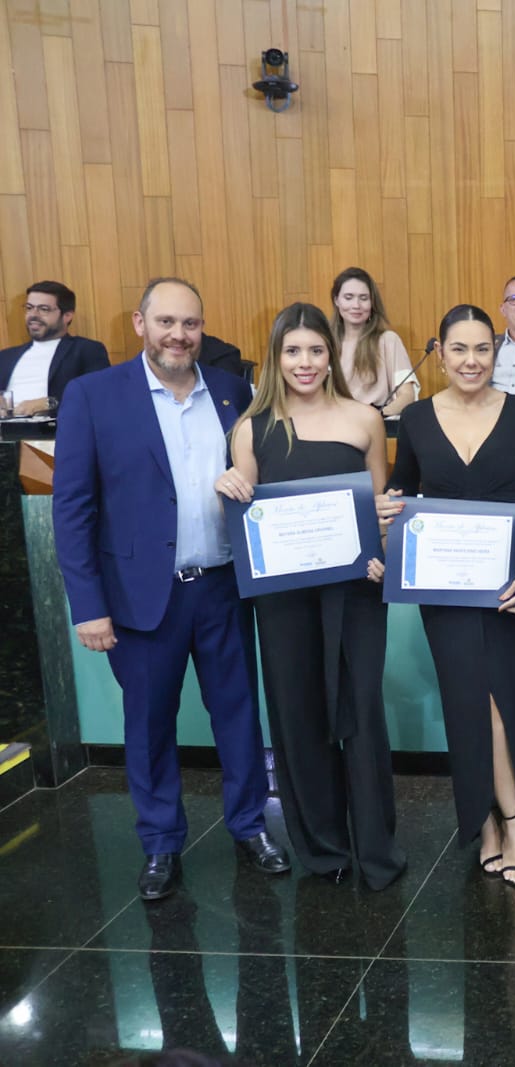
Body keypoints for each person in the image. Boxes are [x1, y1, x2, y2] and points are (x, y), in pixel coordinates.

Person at [52, 277, 289, 901]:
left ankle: (249, 826)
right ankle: (160, 842)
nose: (179, 335)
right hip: (139, 597)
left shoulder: (235, 393)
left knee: (239, 715)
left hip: (224, 588)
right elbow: (72, 509)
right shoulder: (93, 395)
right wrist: (88, 606)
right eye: (166, 322)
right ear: (140, 324)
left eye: (190, 324)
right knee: (149, 723)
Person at [212, 303, 406, 890]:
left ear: (331, 355)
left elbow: (378, 510)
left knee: (362, 714)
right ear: (275, 357)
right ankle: (324, 850)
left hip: (356, 589)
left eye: (316, 350)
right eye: (292, 351)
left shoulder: (365, 419)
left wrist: (384, 543)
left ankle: (375, 848)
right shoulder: (252, 429)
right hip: (283, 596)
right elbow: (243, 522)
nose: (305, 362)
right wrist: (228, 487)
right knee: (298, 715)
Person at [384, 303, 515, 885]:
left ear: (496, 352)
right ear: (440, 353)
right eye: (459, 349)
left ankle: (513, 821)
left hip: (510, 589)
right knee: (468, 704)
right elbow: (402, 489)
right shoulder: (416, 418)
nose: (471, 360)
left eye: (483, 349)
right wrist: (388, 509)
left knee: (508, 704)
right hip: (445, 589)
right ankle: (489, 822)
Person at [0, 281, 109, 415]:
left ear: (67, 316)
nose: (33, 315)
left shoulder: (86, 349)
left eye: (44, 309)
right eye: (29, 308)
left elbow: (99, 394)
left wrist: (49, 403)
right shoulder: (5, 356)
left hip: (52, 425)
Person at [330, 267, 415, 416]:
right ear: (337, 300)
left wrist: (377, 416)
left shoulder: (388, 340)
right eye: (348, 298)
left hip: (376, 423)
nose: (356, 305)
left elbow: (407, 395)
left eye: (363, 298)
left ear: (372, 302)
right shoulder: (324, 343)